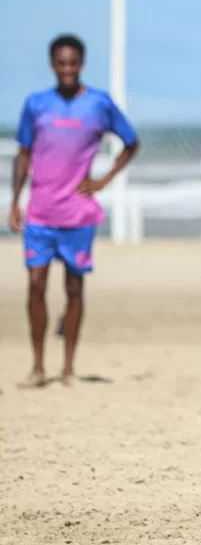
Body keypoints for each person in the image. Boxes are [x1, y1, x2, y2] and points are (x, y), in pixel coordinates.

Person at [8, 34, 140, 388]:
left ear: (81, 63)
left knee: (74, 288)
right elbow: (23, 155)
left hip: (77, 214)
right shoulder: (36, 104)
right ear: (52, 64)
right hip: (40, 213)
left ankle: (68, 369)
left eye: (73, 63)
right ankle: (38, 367)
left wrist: (104, 179)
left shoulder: (99, 103)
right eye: (61, 63)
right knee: (35, 285)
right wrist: (15, 201)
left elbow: (131, 142)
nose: (67, 69)